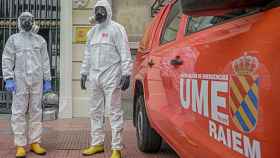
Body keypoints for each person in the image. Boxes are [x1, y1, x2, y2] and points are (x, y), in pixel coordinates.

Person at [80, 0, 132, 158]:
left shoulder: (117, 29)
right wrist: (83, 73)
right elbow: (87, 55)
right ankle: (97, 144)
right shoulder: (92, 32)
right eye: (97, 10)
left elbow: (124, 51)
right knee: (95, 111)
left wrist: (126, 73)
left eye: (102, 10)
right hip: (95, 77)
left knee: (114, 111)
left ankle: (116, 148)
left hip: (112, 76)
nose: (98, 13)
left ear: (108, 11)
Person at [2, 12, 52, 158]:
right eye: (24, 20)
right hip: (19, 81)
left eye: (29, 20)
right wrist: (8, 78)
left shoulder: (40, 40)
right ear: (19, 22)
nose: (26, 22)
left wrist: (47, 79)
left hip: (37, 81)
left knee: (36, 111)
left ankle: (35, 142)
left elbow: (45, 61)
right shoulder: (13, 40)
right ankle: (20, 145)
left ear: (33, 21)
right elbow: (7, 59)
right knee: (18, 112)